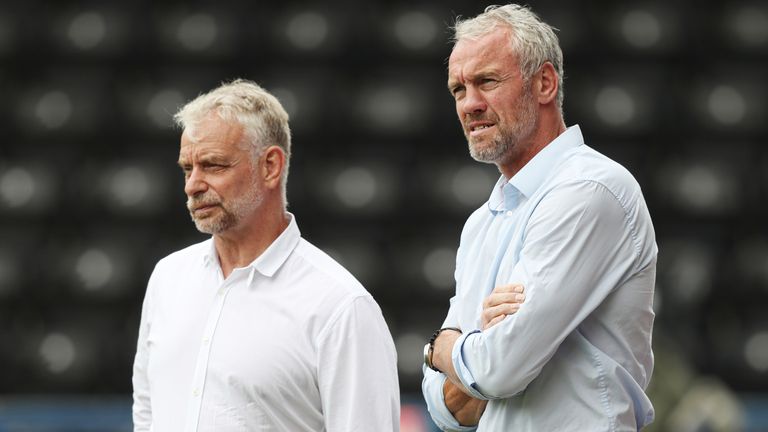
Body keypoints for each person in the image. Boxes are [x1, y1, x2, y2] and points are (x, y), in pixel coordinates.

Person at [421, 4, 657, 431]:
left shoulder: (590, 190)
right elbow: (446, 410)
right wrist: (477, 348)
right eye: (458, 89)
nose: (470, 104)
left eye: (487, 81)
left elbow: (497, 370)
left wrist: (439, 347)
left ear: (545, 83)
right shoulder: (480, 224)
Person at [132, 79, 400, 431]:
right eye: (187, 168)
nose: (192, 185)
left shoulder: (340, 306)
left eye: (213, 166)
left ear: (271, 166)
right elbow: (148, 415)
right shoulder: (168, 278)